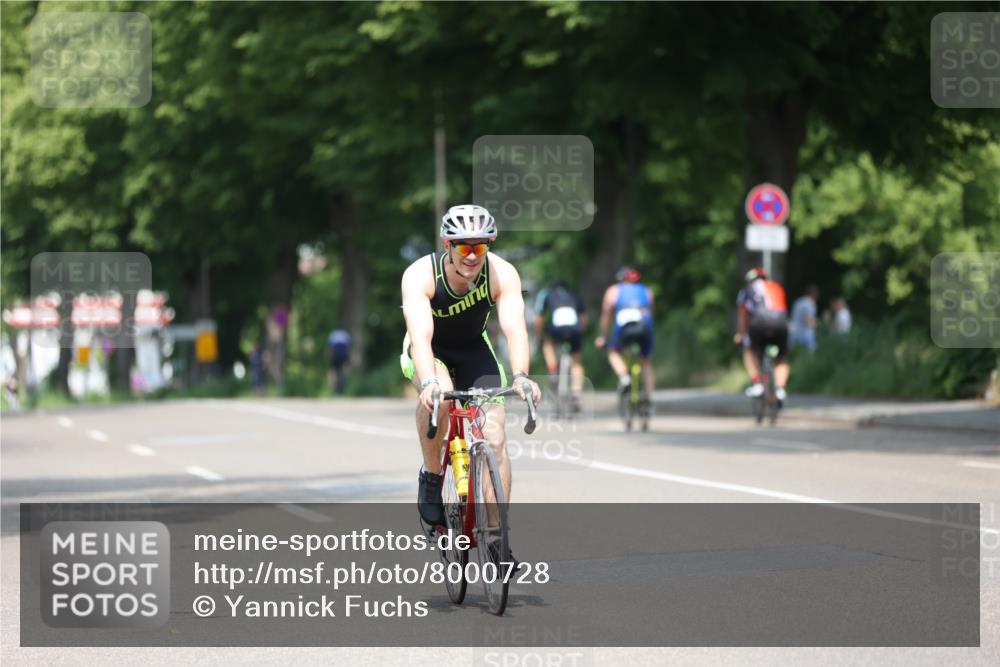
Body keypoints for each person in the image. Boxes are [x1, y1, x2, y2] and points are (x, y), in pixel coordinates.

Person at [400, 204, 541, 528]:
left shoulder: (502, 273)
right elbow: (420, 337)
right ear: (447, 245)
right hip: (429, 352)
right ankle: (432, 476)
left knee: (495, 437)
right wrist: (429, 384)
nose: (472, 255)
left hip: (474, 349)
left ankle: (496, 534)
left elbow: (515, 329)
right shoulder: (421, 275)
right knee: (442, 396)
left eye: (479, 246)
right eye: (463, 246)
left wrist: (521, 376)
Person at [595, 266, 655, 405]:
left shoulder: (613, 291)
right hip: (645, 328)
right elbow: (651, 312)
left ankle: (624, 377)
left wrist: (603, 336)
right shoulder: (647, 291)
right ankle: (647, 397)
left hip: (624, 329)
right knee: (646, 362)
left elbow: (606, 315)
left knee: (613, 351)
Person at [734, 267, 790, 404]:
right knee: (781, 358)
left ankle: (758, 383)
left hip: (758, 323)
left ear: (750, 281)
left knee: (749, 350)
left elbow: (743, 315)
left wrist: (740, 334)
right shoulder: (777, 287)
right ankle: (780, 389)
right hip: (781, 323)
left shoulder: (747, 290)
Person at [533, 279, 587, 408]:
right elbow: (584, 317)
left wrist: (539, 336)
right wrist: (581, 333)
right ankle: (576, 394)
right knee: (576, 362)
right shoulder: (574, 295)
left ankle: (553, 370)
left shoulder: (547, 295)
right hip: (575, 330)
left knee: (548, 343)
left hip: (556, 329)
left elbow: (539, 318)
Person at [789, 285, 819, 352]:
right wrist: (818, 324)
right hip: (804, 335)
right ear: (813, 294)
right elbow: (808, 321)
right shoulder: (810, 303)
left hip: (793, 333)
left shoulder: (798, 301)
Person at [325, 328, 352, 394]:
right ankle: (344, 379)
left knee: (332, 370)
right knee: (346, 367)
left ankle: (333, 388)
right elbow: (349, 347)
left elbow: (329, 348)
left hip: (335, 354)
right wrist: (349, 359)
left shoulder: (332, 334)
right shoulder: (346, 334)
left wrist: (328, 358)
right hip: (344, 354)